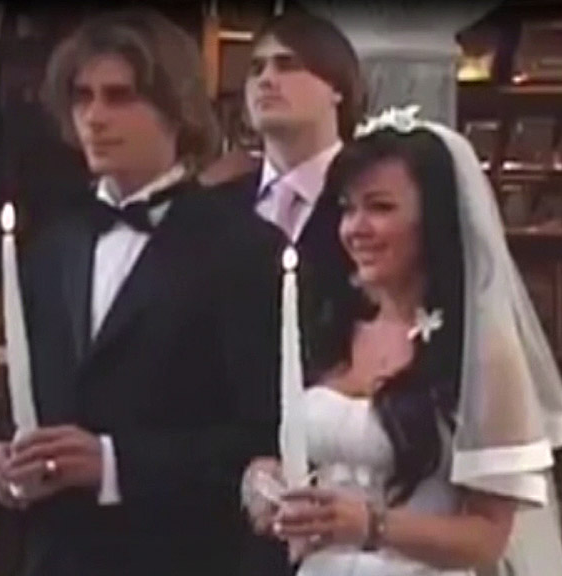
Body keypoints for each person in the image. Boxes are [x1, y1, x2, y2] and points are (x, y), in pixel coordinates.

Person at [0, 9, 284, 576]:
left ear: (176, 108)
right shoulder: (53, 246)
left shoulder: (242, 248)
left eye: (119, 97)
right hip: (56, 557)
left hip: (181, 556)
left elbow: (265, 438)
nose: (94, 117)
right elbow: (29, 400)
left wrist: (115, 464)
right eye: (82, 97)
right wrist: (5, 458)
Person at [241, 106, 562, 576]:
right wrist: (269, 482)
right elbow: (310, 459)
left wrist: (372, 525)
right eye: (348, 208)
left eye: (380, 207)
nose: (355, 228)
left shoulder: (482, 354)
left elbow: (487, 537)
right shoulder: (334, 329)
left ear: (434, 220)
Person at [205, 10, 366, 575]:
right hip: (220, 496)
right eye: (256, 69)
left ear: (337, 87)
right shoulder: (213, 208)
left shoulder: (371, 201)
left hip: (345, 483)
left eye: (288, 64)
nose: (266, 80)